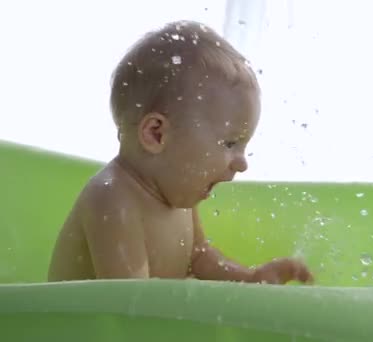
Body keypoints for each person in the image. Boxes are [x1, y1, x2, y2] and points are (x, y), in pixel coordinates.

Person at [47, 20, 314, 285]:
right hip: (72, 329)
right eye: (230, 143)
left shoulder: (175, 194)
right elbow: (129, 306)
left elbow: (198, 257)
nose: (242, 163)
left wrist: (250, 278)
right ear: (157, 134)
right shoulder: (112, 200)